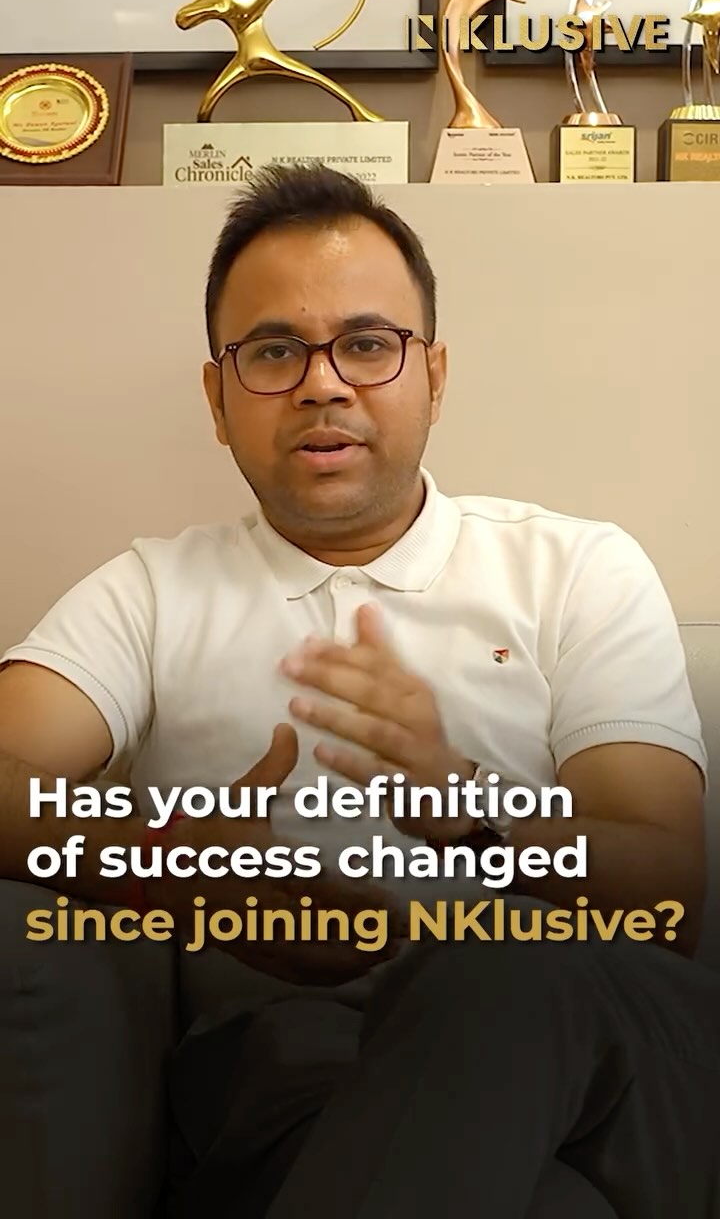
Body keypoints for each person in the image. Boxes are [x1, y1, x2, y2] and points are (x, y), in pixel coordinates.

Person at [0, 163, 717, 1218]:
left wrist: (470, 808)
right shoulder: (150, 591)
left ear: (435, 376)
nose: (323, 385)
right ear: (218, 400)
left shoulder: (576, 567)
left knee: (501, 967)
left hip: (602, 1043)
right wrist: (166, 868)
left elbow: (666, 899)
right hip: (303, 1069)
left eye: (368, 344)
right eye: (273, 352)